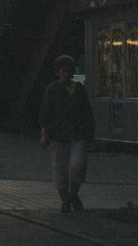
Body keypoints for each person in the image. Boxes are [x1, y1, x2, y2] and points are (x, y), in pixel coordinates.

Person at [38, 56, 96, 213]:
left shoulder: (79, 89)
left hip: (78, 134)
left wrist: (90, 133)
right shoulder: (52, 90)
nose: (66, 74)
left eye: (69, 71)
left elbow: (87, 112)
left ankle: (72, 195)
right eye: (63, 71)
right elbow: (45, 113)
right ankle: (65, 201)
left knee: (78, 166)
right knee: (60, 169)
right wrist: (44, 134)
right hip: (58, 135)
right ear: (58, 73)